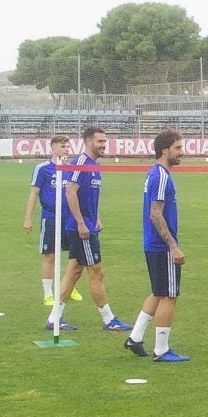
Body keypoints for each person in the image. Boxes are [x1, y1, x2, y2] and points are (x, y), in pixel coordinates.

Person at [44, 126, 132, 332]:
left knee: (74, 272)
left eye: (105, 141)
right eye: (100, 141)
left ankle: (54, 318)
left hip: (87, 225)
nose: (104, 145)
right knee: (97, 272)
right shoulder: (81, 163)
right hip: (81, 229)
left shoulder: (94, 165)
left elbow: (90, 196)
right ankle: (109, 319)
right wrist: (82, 223)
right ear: (89, 141)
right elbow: (70, 192)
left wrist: (96, 218)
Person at [124, 129, 189, 362]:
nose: (182, 152)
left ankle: (135, 337)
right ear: (165, 150)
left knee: (158, 292)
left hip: (152, 244)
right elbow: (155, 213)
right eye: (178, 148)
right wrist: (172, 245)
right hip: (161, 246)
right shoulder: (161, 176)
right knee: (169, 295)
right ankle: (161, 350)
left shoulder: (156, 174)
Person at [23, 134, 83, 306]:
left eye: (68, 147)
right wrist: (28, 218)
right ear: (53, 148)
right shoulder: (43, 169)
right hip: (50, 218)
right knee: (50, 255)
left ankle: (68, 287)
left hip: (70, 218)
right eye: (63, 146)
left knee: (74, 256)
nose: (66, 150)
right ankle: (48, 293)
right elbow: (34, 193)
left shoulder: (72, 169)